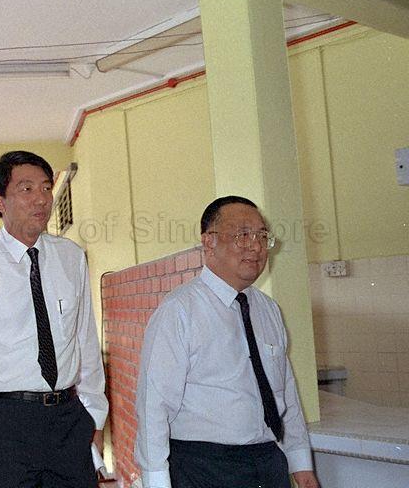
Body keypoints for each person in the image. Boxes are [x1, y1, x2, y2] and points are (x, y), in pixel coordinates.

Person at [0, 151, 108, 488]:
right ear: (0, 201)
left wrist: (95, 418)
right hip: (4, 425)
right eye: (26, 189)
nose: (41, 199)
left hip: (68, 420)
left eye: (45, 188)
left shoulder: (71, 258)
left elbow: (85, 340)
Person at [135, 196, 319, 488]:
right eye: (243, 235)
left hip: (268, 460)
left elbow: (286, 393)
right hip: (203, 466)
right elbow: (153, 405)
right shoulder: (180, 310)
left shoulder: (268, 309)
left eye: (262, 236)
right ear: (209, 243)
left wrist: (300, 461)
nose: (256, 246)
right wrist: (156, 481)